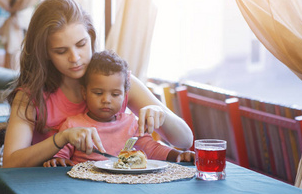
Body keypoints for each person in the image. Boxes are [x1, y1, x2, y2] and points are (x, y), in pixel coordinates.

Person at [2, 0, 193, 168]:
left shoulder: (119, 81)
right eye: (61, 51)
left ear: (91, 38)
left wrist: (162, 114)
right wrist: (61, 138)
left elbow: (185, 139)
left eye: (81, 44)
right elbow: (10, 163)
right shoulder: (31, 96)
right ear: (45, 53)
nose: (75, 57)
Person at [43, 50, 193, 167]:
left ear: (125, 95)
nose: (106, 100)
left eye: (115, 94)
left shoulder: (131, 124)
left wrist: (178, 155)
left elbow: (152, 149)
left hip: (124, 187)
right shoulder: (73, 126)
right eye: (98, 93)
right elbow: (60, 155)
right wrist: (57, 160)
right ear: (84, 92)